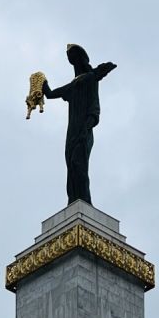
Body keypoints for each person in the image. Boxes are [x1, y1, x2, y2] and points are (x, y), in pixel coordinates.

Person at [43, 44, 117, 206]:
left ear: (81, 59)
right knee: (71, 166)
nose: (72, 60)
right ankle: (73, 200)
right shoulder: (73, 84)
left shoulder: (90, 79)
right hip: (72, 131)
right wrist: (40, 80)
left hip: (84, 129)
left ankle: (84, 201)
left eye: (74, 57)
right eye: (70, 58)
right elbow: (50, 94)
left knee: (79, 163)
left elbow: (94, 108)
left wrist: (87, 127)